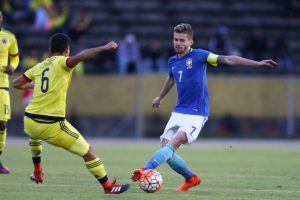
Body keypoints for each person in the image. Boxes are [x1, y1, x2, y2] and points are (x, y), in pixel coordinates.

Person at [131, 23, 276, 192]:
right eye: (175, 39)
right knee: (167, 153)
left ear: (190, 41)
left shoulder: (200, 56)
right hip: (179, 110)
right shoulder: (173, 61)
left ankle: (145, 169)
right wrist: (160, 97)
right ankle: (191, 178)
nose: (177, 43)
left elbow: (227, 59)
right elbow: (171, 79)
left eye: (182, 40)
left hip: (196, 112)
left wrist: (257, 63)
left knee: (174, 143)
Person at [12, 33, 130, 194]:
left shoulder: (39, 66)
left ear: (50, 49)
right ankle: (108, 187)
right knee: (88, 152)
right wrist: (104, 47)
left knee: (35, 136)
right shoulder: (62, 62)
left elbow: (16, 84)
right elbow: (79, 57)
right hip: (51, 124)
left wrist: (34, 85)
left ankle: (38, 172)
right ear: (67, 50)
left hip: (30, 121)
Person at [0, 11, 19, 174]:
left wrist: (12, 67)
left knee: (2, 123)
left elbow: (15, 57)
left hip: (2, 86)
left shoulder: (8, 37)